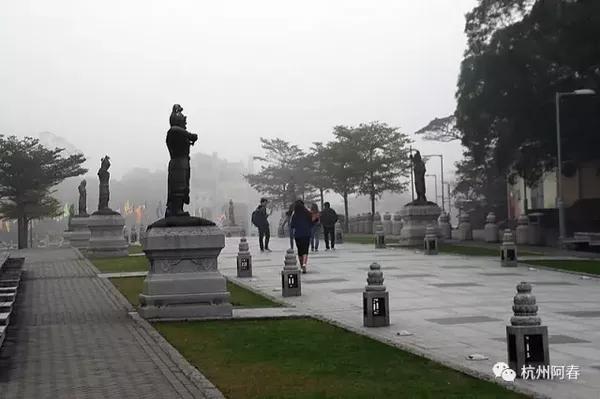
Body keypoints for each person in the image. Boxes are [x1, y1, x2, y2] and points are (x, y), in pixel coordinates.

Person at [290, 199, 312, 273]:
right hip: (306, 234)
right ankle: (304, 264)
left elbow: (292, 225)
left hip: (298, 235)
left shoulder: (294, 214)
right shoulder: (307, 212)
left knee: (300, 251)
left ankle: (301, 265)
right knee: (305, 250)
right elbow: (312, 222)